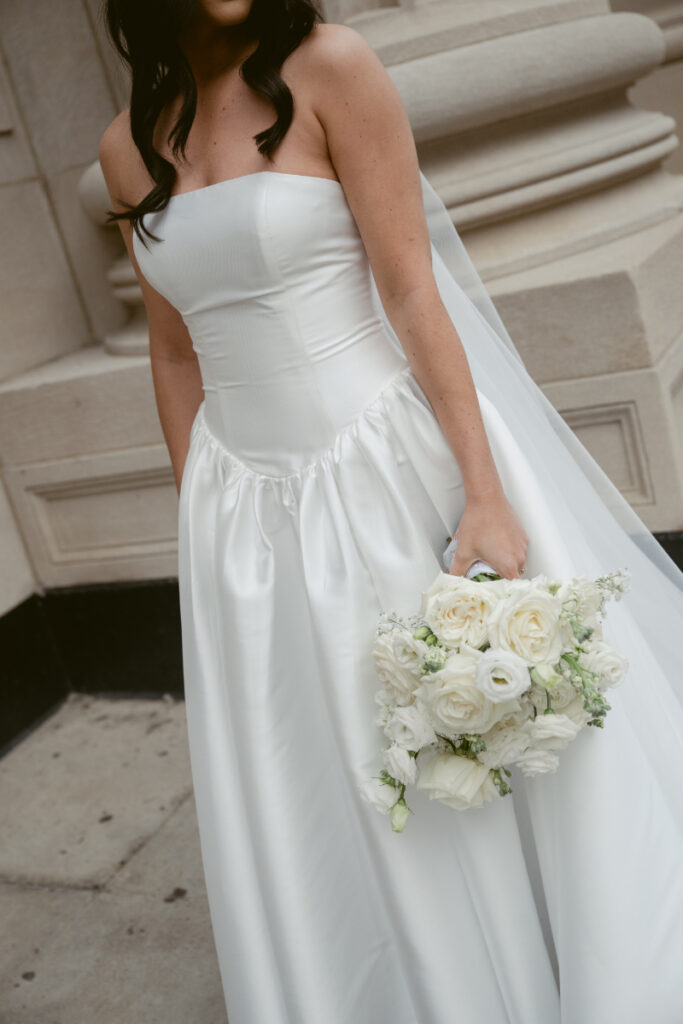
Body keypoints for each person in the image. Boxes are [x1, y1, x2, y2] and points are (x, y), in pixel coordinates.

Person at [98, 2, 683, 1022]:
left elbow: (412, 289)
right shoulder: (124, 143)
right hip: (243, 517)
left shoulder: (331, 68)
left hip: (379, 468)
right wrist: (204, 516)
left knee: (456, 730)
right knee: (309, 766)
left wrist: (483, 490)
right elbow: (174, 349)